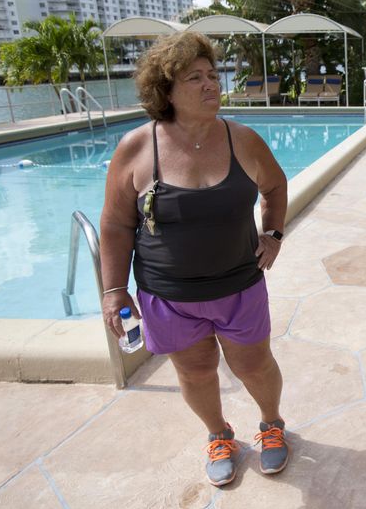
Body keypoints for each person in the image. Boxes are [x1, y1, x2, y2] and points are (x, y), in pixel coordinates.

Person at [99, 32, 289, 487]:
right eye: (194, 78)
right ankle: (219, 434)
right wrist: (112, 289)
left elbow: (276, 187)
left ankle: (271, 424)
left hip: (239, 286)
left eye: (212, 75)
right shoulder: (136, 148)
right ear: (166, 91)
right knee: (195, 370)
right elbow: (115, 224)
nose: (211, 85)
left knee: (253, 365)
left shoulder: (243, 139)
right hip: (170, 296)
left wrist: (275, 233)